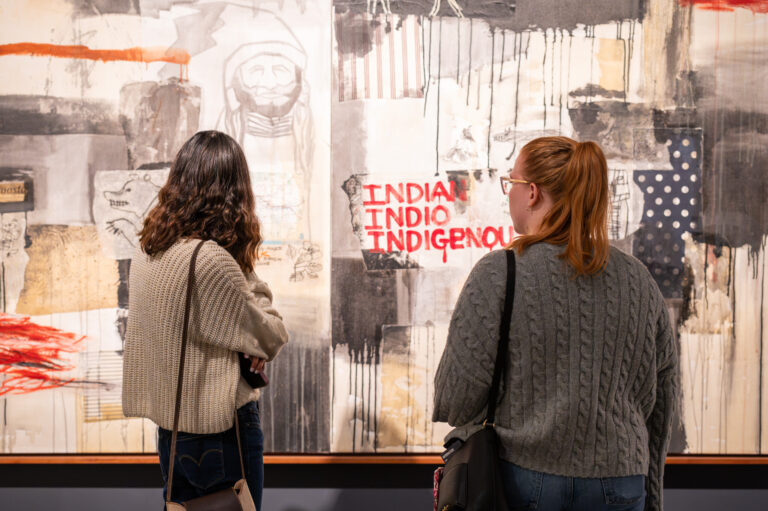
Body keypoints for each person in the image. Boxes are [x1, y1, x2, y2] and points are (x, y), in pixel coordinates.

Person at [433, 136, 679, 511]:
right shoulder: (639, 279)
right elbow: (661, 401)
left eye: (511, 183)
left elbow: (457, 398)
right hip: (620, 483)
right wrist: (653, 493)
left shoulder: (500, 272)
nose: (508, 194)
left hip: (526, 477)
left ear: (531, 193)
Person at [122, 130, 289, 510]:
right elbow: (271, 336)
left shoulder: (150, 252)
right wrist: (245, 271)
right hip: (221, 433)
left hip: (173, 433)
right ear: (235, 193)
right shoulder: (212, 262)